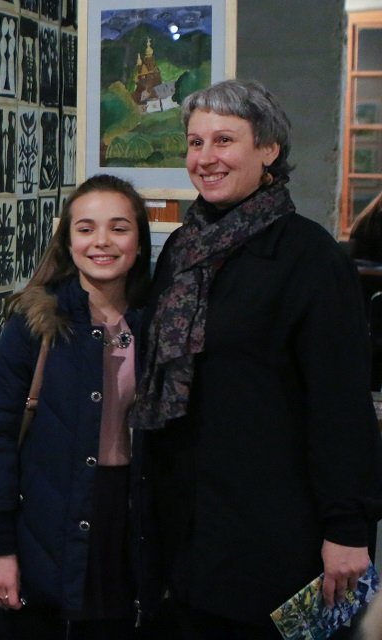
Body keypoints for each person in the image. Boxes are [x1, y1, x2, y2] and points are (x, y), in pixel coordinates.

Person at [129, 79, 382, 639]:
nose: (205, 158)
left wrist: (349, 527)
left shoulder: (309, 258)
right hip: (182, 523)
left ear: (268, 150)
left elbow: (340, 405)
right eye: (195, 143)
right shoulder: (182, 248)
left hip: (269, 526)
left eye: (224, 140)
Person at [0, 174, 156, 639]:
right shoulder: (38, 322)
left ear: (139, 240)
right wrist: (0, 549)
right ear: (68, 241)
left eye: (119, 227)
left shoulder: (161, 321)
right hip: (50, 520)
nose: (102, 242)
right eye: (86, 228)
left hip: (130, 524)